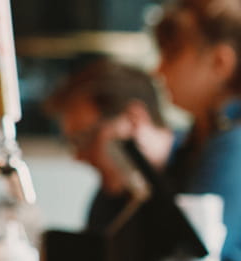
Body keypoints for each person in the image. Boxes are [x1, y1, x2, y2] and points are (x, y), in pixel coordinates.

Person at [153, 0, 241, 261]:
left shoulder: (238, 147)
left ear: (220, 62)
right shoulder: (198, 141)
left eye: (172, 54)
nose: (158, 70)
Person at [42, 59, 176, 234]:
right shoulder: (109, 198)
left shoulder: (199, 172)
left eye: (85, 138)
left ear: (133, 119)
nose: (79, 157)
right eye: (73, 143)